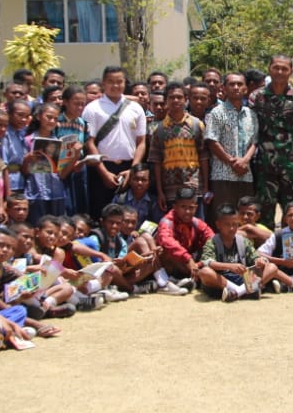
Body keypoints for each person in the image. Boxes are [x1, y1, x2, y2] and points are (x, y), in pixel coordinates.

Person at [250, 55, 293, 226]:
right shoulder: (257, 97)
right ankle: (267, 249)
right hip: (264, 162)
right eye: (276, 67)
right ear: (269, 68)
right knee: (265, 207)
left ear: (291, 71)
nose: (280, 72)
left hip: (291, 162)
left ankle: (292, 250)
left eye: (284, 68)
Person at [83, 66, 148, 220]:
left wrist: (133, 170)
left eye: (119, 82)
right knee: (102, 215)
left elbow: (141, 142)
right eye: (111, 82)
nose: (115, 85)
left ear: (125, 83)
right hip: (102, 169)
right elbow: (89, 143)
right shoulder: (92, 109)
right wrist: (104, 172)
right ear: (103, 83)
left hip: (128, 168)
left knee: (127, 216)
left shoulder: (136, 108)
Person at [148, 82, 208, 214]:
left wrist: (206, 187)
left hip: (194, 187)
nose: (175, 100)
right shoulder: (159, 129)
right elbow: (156, 162)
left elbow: (203, 156)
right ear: (166, 101)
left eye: (179, 97)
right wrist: (160, 192)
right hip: (170, 191)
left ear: (186, 100)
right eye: (171, 97)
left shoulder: (197, 125)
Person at [204, 72, 258, 213]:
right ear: (224, 88)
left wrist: (245, 161)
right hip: (223, 175)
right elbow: (212, 140)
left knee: (245, 216)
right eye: (232, 84)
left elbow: (255, 142)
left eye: (239, 84)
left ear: (246, 88)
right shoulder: (216, 113)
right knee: (224, 217)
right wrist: (232, 162)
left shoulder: (251, 114)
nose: (236, 87)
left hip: (245, 175)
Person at [196, 204, 264, 302]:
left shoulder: (243, 241)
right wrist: (230, 266)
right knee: (205, 272)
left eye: (235, 224)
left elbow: (255, 256)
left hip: (243, 278)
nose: (232, 228)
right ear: (218, 225)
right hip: (221, 280)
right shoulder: (212, 241)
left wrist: (259, 260)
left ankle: (236, 293)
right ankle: (244, 291)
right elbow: (207, 262)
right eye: (227, 224)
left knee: (271, 268)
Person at [154, 187, 212, 288]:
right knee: (165, 250)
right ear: (175, 207)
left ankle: (195, 277)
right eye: (183, 207)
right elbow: (167, 240)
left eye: (191, 207)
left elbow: (212, 238)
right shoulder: (167, 221)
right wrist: (188, 259)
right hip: (173, 264)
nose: (188, 211)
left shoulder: (196, 222)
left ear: (196, 207)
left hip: (190, 264)